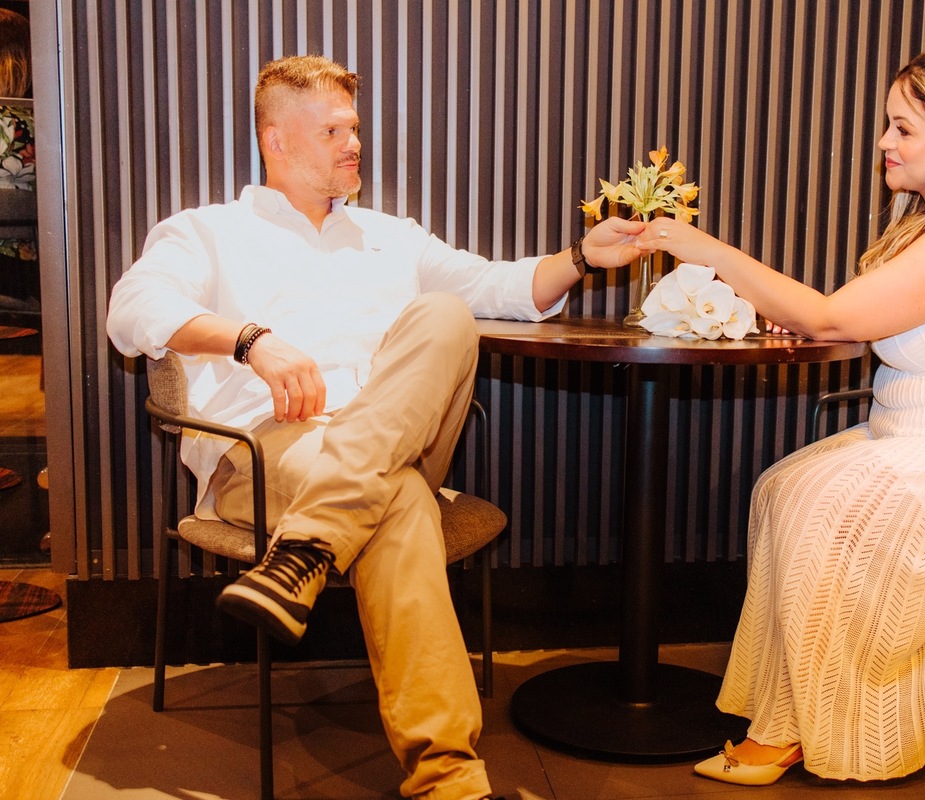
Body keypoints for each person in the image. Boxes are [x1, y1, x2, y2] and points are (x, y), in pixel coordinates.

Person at [107, 54, 641, 800]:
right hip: (270, 455)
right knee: (396, 503)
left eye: (354, 127)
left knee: (449, 313)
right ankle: (449, 777)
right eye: (332, 130)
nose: (353, 143)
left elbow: (499, 287)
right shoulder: (205, 232)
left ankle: (305, 548)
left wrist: (585, 256)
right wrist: (250, 341)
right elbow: (131, 313)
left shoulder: (393, 237)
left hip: (399, 440)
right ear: (276, 140)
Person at [635, 39, 925, 785]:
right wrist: (814, 318)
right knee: (787, 486)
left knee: (821, 505)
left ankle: (799, 728)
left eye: (903, 129)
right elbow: (852, 317)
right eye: (888, 123)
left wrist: (703, 248)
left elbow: (836, 317)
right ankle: (804, 709)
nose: (883, 142)